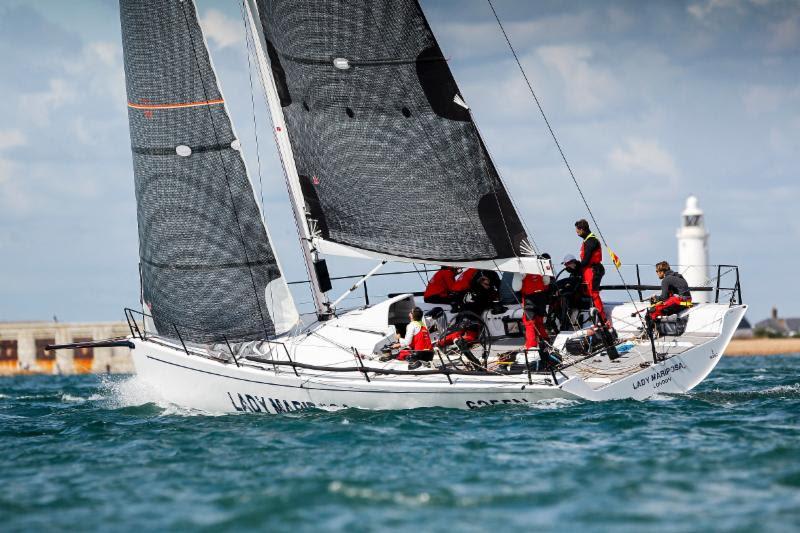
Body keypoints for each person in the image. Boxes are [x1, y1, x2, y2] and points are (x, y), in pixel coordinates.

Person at [575, 219, 607, 324]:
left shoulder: (590, 241)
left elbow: (586, 260)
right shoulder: (588, 240)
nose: (577, 233)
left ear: (582, 229)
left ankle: (603, 320)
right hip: (589, 270)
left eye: (578, 230)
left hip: (593, 270)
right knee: (587, 293)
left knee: (594, 294)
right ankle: (595, 318)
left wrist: (576, 266)